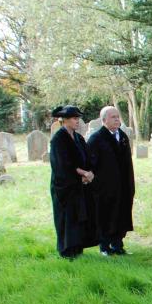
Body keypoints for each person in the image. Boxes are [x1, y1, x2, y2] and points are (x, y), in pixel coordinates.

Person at [49, 105, 98, 259]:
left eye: (78, 118)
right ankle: (66, 250)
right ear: (64, 120)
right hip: (64, 185)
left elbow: (88, 157)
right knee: (67, 217)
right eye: (74, 118)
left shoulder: (78, 138)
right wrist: (83, 173)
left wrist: (90, 172)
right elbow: (62, 164)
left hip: (79, 184)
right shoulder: (58, 139)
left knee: (79, 215)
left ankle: (77, 248)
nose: (77, 121)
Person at [87, 106, 135, 256]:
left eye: (117, 117)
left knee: (121, 214)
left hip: (123, 185)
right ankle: (104, 246)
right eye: (113, 117)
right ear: (104, 120)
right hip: (105, 187)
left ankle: (117, 245)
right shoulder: (96, 139)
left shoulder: (122, 136)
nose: (117, 120)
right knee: (105, 215)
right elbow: (91, 164)